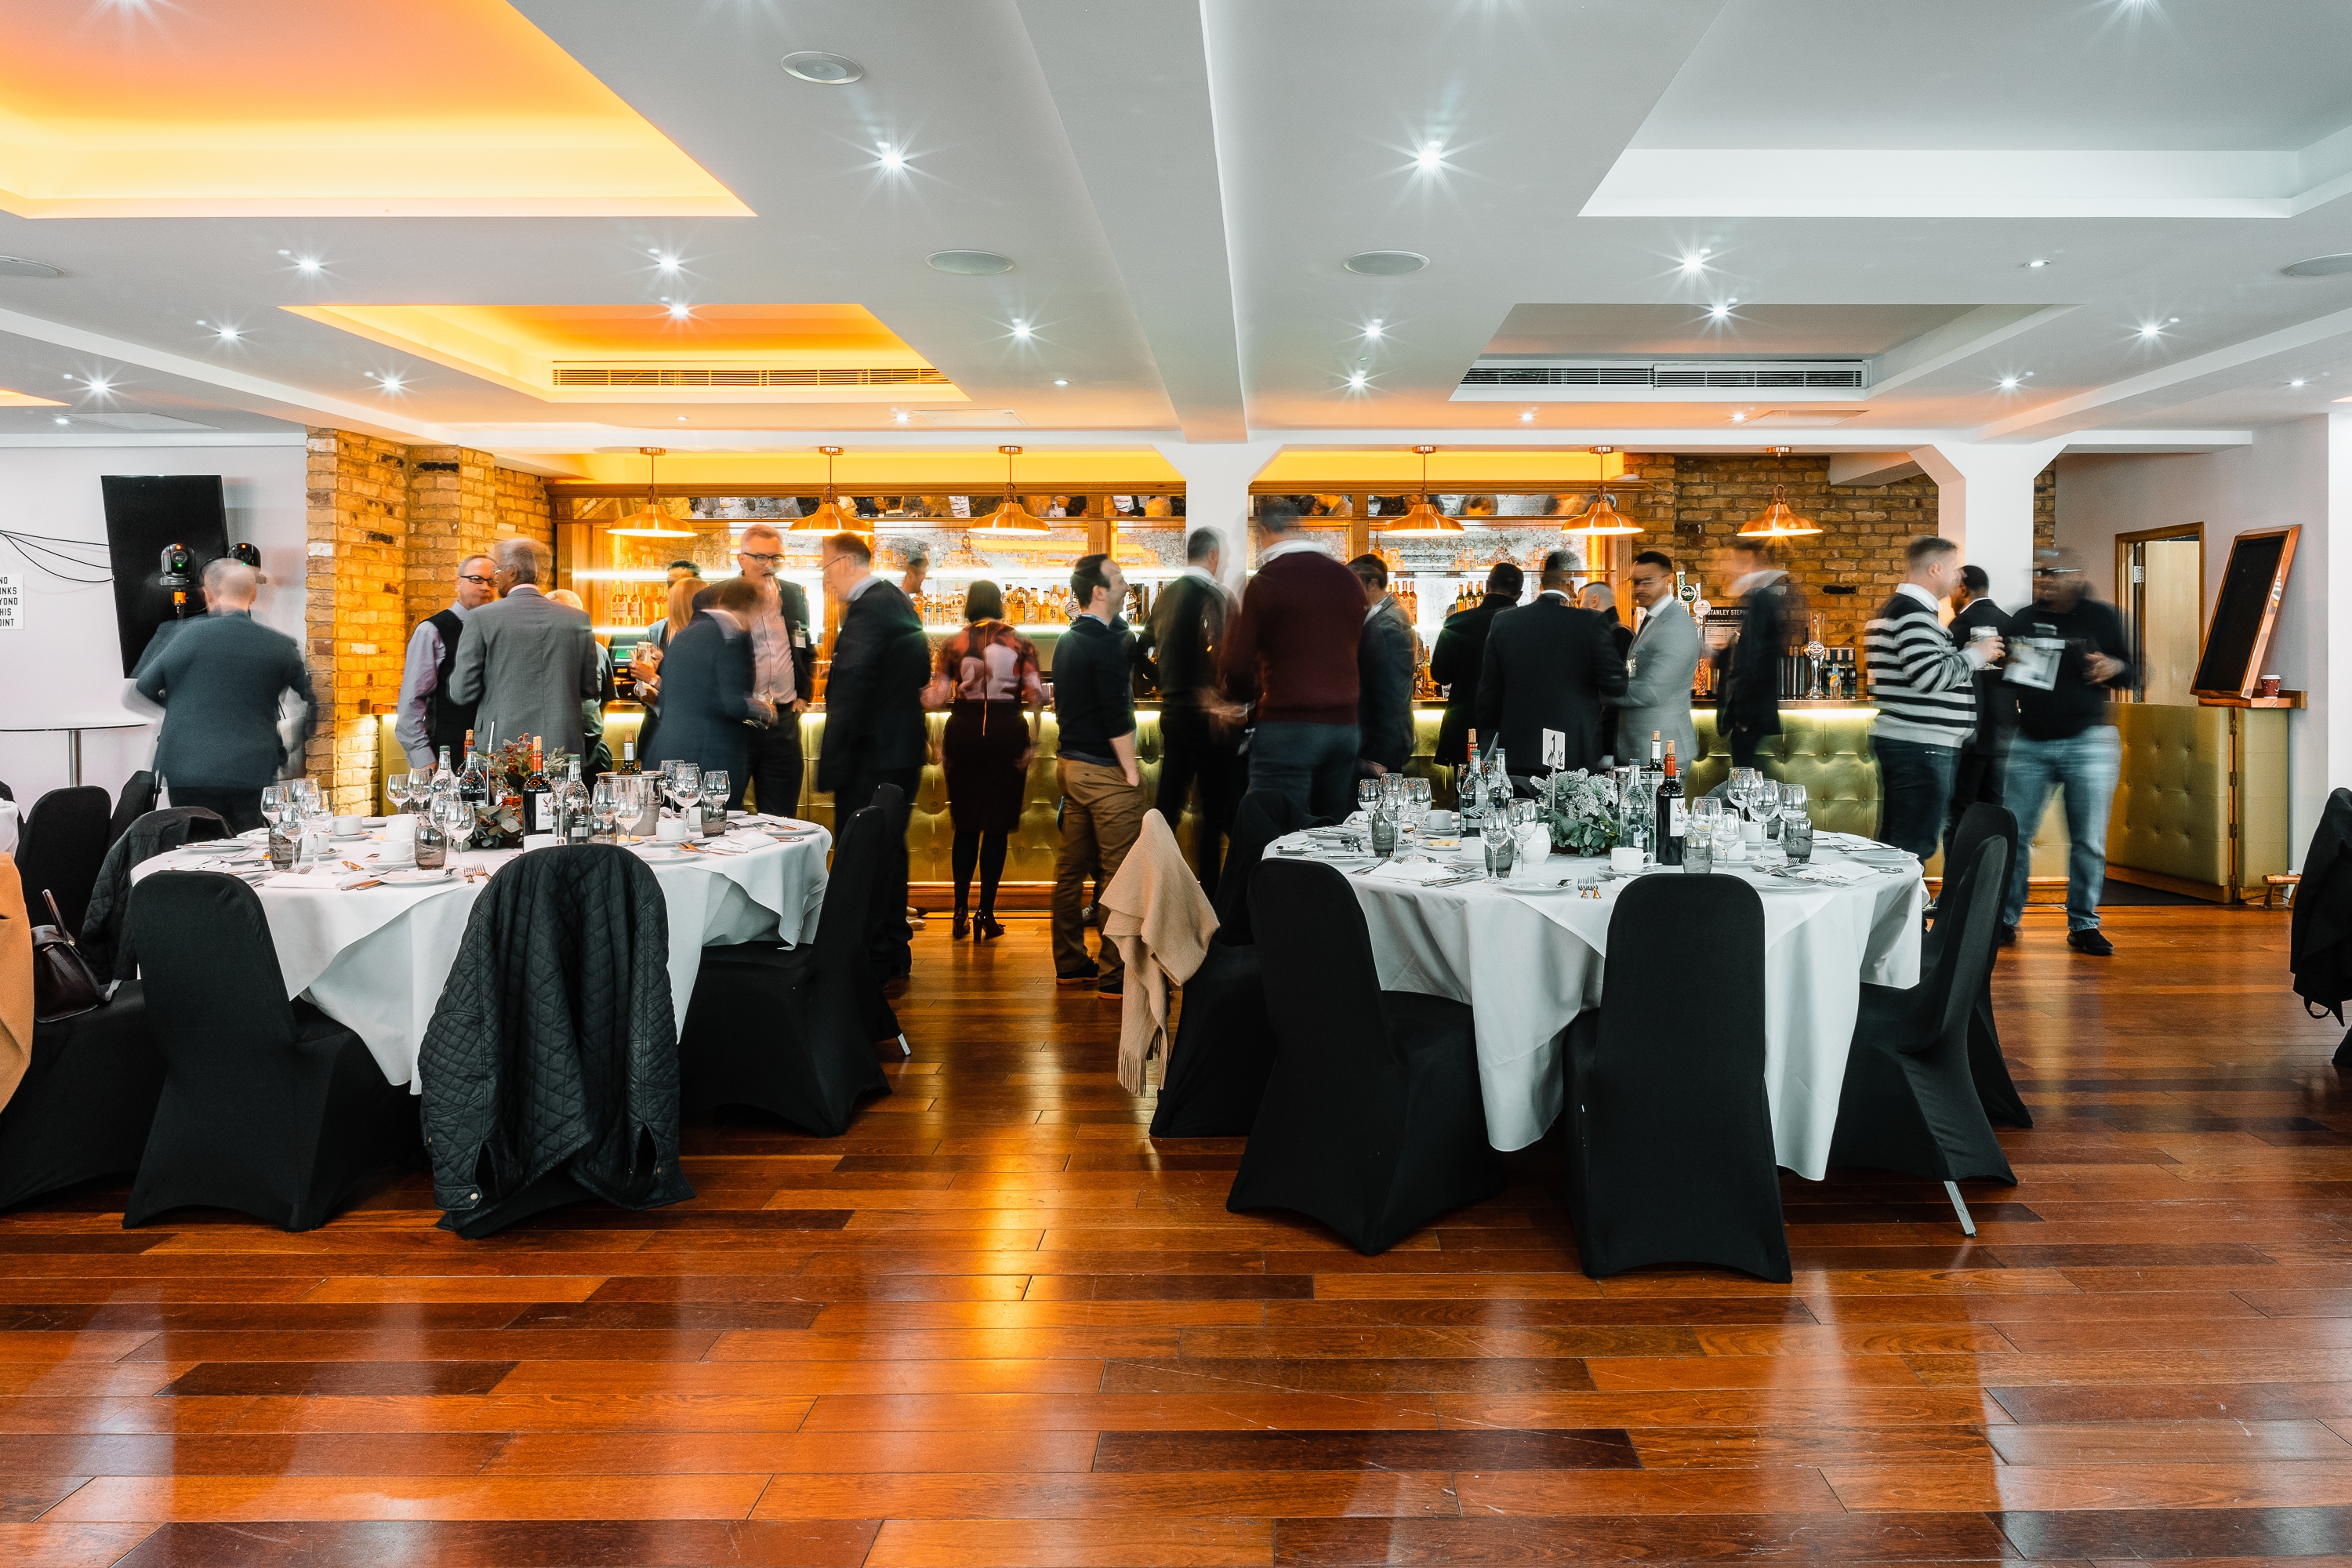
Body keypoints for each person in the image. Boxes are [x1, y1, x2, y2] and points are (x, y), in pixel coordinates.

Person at [1996, 550, 2136, 955]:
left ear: (2076, 575)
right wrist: (2005, 665)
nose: (2044, 579)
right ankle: (2005, 919)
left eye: (2053, 572)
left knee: (2088, 840)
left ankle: (2084, 923)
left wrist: (2113, 668)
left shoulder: (2103, 617)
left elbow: (2136, 671)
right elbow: (2007, 679)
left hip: (2089, 742)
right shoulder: (2021, 618)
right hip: (2029, 741)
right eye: (2038, 572)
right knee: (2015, 836)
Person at [815, 531, 929, 984]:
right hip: (896, 749)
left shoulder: (868, 608)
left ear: (844, 562)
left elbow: (852, 686)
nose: (825, 581)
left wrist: (834, 760)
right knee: (887, 853)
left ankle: (873, 958)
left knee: (866, 856)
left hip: (872, 755)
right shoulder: (896, 600)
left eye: (825, 569)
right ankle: (892, 947)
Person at [134, 559, 314, 832]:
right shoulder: (279, 645)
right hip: (253, 767)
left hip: (188, 767)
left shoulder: (181, 635)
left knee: (197, 849)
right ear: (253, 594)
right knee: (247, 849)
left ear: (208, 593)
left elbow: (143, 688)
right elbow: (314, 700)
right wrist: (288, 745)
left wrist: (183, 709)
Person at [1216, 501, 1365, 819]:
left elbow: (1237, 663)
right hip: (1345, 728)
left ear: (1266, 532)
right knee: (1334, 832)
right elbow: (1365, 651)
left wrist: (1242, 703)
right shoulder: (1348, 579)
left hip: (1288, 728)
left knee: (1276, 828)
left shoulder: (1268, 582)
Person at [1864, 537, 2003, 861]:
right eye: (1954, 568)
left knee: (1902, 842)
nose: (1958, 578)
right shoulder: (1912, 615)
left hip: (1917, 745)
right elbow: (1929, 677)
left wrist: (1968, 657)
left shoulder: (1904, 611)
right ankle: (1907, 913)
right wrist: (1974, 654)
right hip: (1920, 747)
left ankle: (1897, 911)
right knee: (1912, 845)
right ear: (1935, 568)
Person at [1051, 553, 1149, 996]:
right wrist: (1131, 771)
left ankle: (1070, 962)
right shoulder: (1106, 643)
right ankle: (1115, 974)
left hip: (1069, 767)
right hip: (1104, 771)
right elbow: (1115, 715)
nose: (1126, 585)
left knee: (1070, 870)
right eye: (1119, 579)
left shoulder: (1070, 639)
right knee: (1120, 873)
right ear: (1099, 590)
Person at [925, 582, 1044, 942]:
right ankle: (986, 912)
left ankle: (959, 908)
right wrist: (1035, 741)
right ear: (999, 603)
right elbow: (1036, 694)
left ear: (970, 605)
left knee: (965, 825)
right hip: (1007, 732)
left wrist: (935, 738)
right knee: (995, 826)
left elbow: (935, 698)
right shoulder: (1020, 642)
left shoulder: (953, 643)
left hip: (963, 731)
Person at [1139, 527, 1242, 896]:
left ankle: (1154, 895)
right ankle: (1210, 901)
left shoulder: (1165, 597)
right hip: (1209, 724)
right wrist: (1218, 699)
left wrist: (1162, 682)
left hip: (1174, 717)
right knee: (1212, 818)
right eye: (1223, 557)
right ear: (1212, 556)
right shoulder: (1215, 598)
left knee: (1167, 811)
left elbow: (1140, 650)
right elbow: (1228, 660)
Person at [1475, 548, 1628, 782]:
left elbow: (1488, 693)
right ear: (1570, 581)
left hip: (1520, 744)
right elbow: (1615, 685)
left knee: (1522, 812)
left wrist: (1491, 736)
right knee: (1569, 814)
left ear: (1541, 582)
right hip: (1575, 745)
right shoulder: (1591, 622)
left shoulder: (1505, 621)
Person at [447, 536, 600, 758]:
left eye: (498, 572)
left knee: (507, 795)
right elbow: (590, 688)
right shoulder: (577, 618)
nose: (495, 579)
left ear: (513, 572)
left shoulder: (481, 618)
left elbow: (462, 692)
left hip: (503, 745)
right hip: (563, 742)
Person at [641, 577, 769, 804]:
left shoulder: (684, 635)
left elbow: (668, 695)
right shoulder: (730, 637)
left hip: (667, 754)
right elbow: (728, 702)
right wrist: (761, 707)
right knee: (713, 833)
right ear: (750, 607)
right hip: (710, 760)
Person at [732, 524, 816, 819]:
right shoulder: (721, 597)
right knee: (727, 814)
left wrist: (804, 694)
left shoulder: (793, 594)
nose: (769, 566)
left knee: (781, 818)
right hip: (736, 724)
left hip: (783, 721)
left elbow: (805, 646)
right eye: (760, 558)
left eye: (776, 558)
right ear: (741, 559)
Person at [393, 553, 495, 771]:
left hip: (493, 755)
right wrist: (422, 757)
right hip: (447, 752)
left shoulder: (501, 630)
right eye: (476, 579)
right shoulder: (432, 630)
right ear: (458, 582)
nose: (485, 587)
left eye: (493, 581)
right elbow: (411, 700)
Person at [1429, 562, 1522, 776]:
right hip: (1511, 725)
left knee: (1465, 798)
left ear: (1487, 585)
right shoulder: (1526, 626)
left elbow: (1440, 675)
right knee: (1509, 796)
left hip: (1465, 723)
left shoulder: (1457, 621)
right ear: (1519, 594)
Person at [1946, 563, 2013, 855]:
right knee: (1996, 812)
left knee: (1961, 811)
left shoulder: (1957, 626)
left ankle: (1957, 888)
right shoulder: (2010, 622)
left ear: (1963, 589)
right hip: (2004, 733)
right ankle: (1992, 888)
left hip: (1969, 733)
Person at [1711, 538, 1794, 769]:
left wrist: (1744, 717)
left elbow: (1756, 658)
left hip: (1751, 714)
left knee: (1745, 779)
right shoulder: (1764, 596)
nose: (1728, 567)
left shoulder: (1761, 598)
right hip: (1754, 712)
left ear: (1749, 560)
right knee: (1747, 775)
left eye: (1733, 560)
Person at [1614, 550, 1701, 769]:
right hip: (1640, 748)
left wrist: (1603, 689)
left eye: (1648, 581)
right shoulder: (1653, 618)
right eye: (1635, 582)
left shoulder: (1676, 626)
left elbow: (1652, 690)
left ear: (1668, 581)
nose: (1639, 588)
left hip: (1663, 752)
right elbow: (1633, 669)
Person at [1349, 554, 1416, 779]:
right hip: (1377, 743)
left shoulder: (1387, 624)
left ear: (1373, 584)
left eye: (1355, 584)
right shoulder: (1387, 615)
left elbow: (1392, 692)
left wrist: (1380, 755)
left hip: (1379, 750)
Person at [543, 589, 619, 775]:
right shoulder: (540, 653)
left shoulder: (599, 650)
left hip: (593, 749)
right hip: (554, 752)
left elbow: (605, 700)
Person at [632, 575, 704, 759]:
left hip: (687, 736)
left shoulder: (700, 641)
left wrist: (653, 678)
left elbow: (690, 696)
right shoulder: (659, 630)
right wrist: (642, 685)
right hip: (658, 728)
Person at [1580, 580, 1633, 763]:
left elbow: (1615, 689)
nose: (1579, 609)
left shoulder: (1614, 634)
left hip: (1610, 731)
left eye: (1580, 602)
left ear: (1593, 600)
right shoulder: (1620, 631)